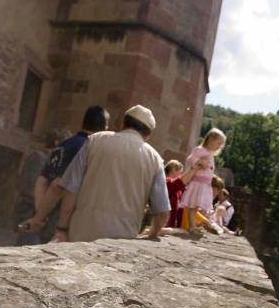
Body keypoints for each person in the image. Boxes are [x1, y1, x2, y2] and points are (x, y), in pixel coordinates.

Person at [33, 105, 170, 242]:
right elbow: (162, 211)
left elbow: (70, 188)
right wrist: (153, 233)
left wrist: (61, 228)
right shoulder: (155, 159)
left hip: (81, 234)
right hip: (122, 241)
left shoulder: (94, 140)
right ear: (148, 135)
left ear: (123, 124)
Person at [19, 106, 109, 236]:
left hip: (44, 211)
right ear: (103, 127)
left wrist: (41, 213)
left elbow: (42, 180)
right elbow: (62, 185)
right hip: (61, 218)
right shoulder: (86, 147)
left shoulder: (64, 144)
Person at [14, 128, 71, 246]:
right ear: (56, 142)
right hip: (30, 214)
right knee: (26, 250)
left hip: (42, 218)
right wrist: (40, 214)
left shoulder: (53, 162)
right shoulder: (39, 157)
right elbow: (30, 188)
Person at [179, 128, 226, 233]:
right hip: (198, 183)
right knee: (193, 205)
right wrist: (200, 162)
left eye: (221, 145)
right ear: (211, 139)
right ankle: (191, 227)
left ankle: (194, 225)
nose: (219, 146)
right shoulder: (200, 150)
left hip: (205, 184)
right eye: (218, 143)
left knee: (196, 207)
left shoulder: (209, 154)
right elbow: (191, 158)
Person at [164, 159, 207, 228]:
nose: (180, 175)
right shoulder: (166, 181)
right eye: (180, 172)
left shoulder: (179, 190)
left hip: (174, 224)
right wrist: (193, 169)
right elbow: (180, 182)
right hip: (165, 223)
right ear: (173, 170)